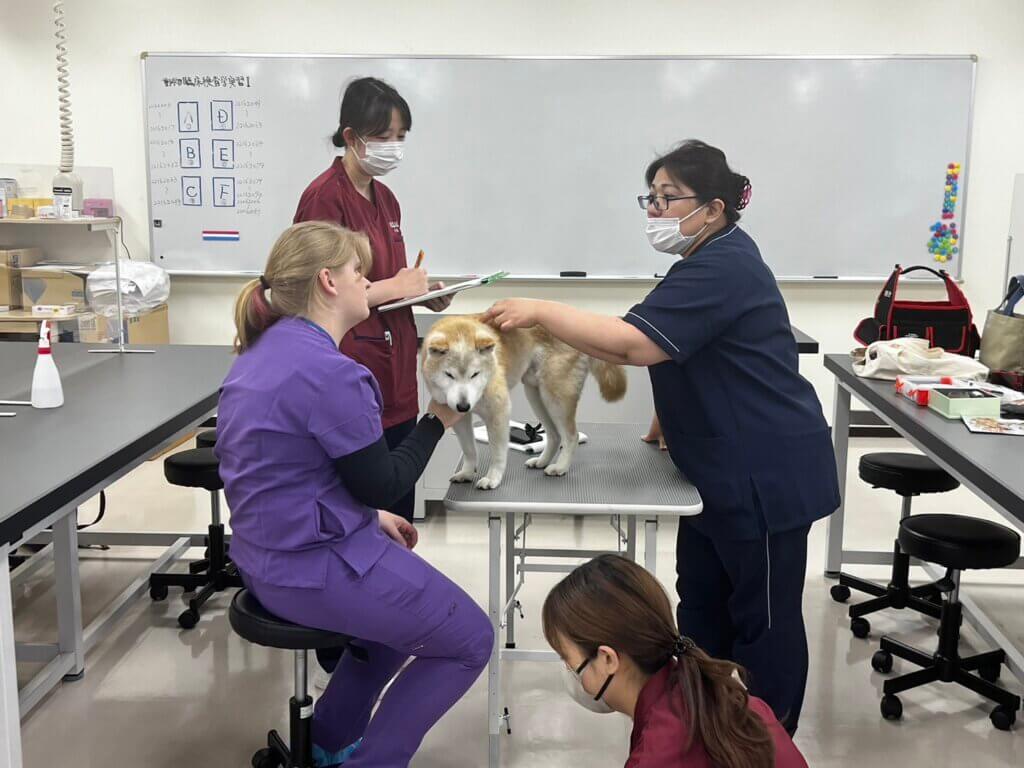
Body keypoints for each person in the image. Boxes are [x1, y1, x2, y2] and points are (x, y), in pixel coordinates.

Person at [484, 140, 840, 734]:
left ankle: (766, 743)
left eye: (669, 198)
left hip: (766, 472)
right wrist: (665, 421)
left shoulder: (724, 264)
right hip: (714, 470)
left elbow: (631, 343)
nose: (655, 210)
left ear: (715, 207)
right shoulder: (699, 263)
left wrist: (540, 310)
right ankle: (708, 728)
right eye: (650, 197)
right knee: (700, 605)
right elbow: (660, 350)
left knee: (765, 622)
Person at [216, 221, 493, 767]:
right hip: (307, 569)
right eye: (359, 272)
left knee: (397, 630)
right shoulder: (331, 374)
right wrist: (438, 417)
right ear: (328, 282)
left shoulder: (261, 352)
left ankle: (326, 738)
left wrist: (366, 517)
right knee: (469, 639)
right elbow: (385, 482)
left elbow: (290, 472)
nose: (369, 283)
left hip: (262, 556)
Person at [295, 75, 451, 524]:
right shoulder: (325, 198)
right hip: (352, 369)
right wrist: (398, 288)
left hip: (395, 367)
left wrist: (423, 294)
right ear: (351, 137)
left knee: (398, 498)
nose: (394, 147)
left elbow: (380, 284)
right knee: (363, 507)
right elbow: (315, 294)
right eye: (384, 137)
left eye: (401, 137)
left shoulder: (386, 198)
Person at [543, 555, 808, 768]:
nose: (569, 671)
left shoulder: (659, 753)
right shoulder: (710, 690)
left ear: (608, 659)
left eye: (568, 660)